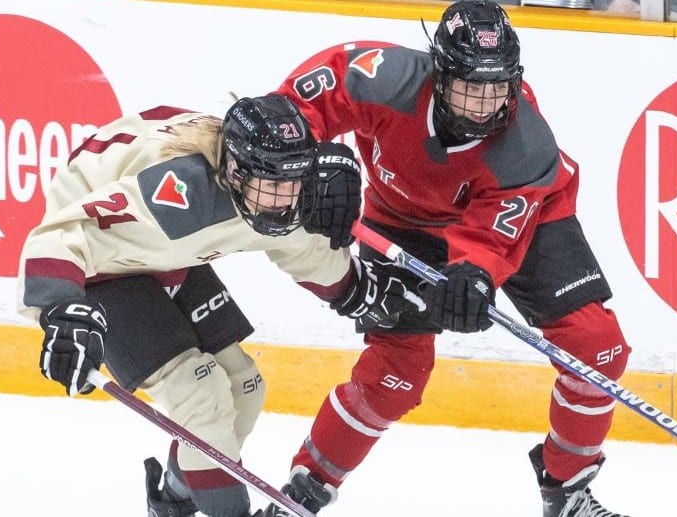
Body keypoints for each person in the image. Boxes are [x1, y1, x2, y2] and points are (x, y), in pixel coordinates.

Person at [260, 1, 633, 516]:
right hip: (400, 220)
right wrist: (321, 157)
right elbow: (296, 106)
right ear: (440, 73)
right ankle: (305, 489)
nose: (484, 105)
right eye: (470, 87)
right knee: (399, 372)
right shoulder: (383, 77)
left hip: (527, 210)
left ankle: (567, 490)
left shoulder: (525, 145)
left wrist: (475, 275)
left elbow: (494, 234)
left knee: (598, 347)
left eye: (497, 87)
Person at [16, 94, 422, 517]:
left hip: (170, 255)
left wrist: (360, 291)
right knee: (201, 397)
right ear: (234, 172)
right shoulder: (178, 197)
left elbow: (305, 252)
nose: (284, 200)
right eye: (274, 185)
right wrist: (62, 311)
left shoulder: (267, 181)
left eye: (293, 182)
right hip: (102, 269)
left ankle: (173, 499)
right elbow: (57, 237)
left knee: (246, 387)